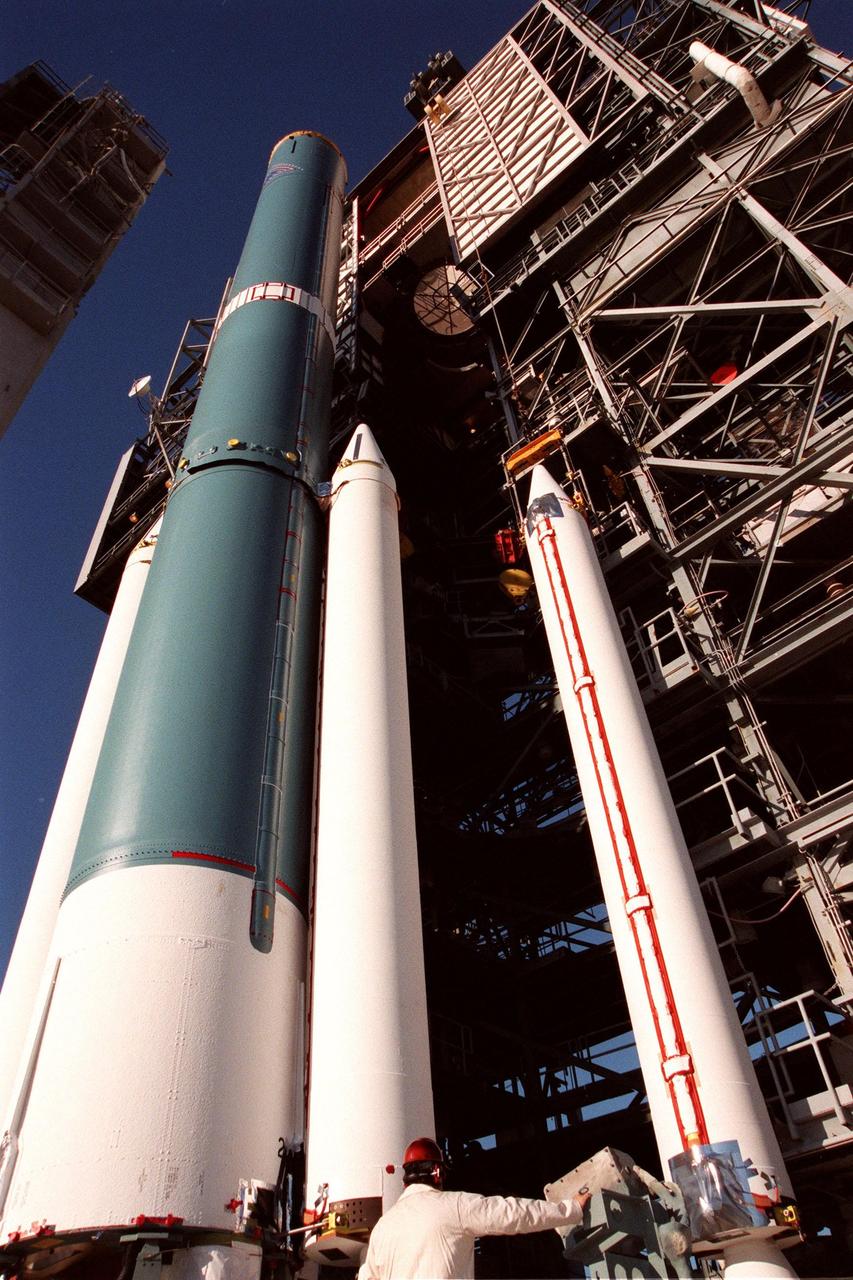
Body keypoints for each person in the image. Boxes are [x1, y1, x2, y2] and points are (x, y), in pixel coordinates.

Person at [357, 1137, 591, 1280]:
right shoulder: (454, 1206)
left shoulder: (382, 1228)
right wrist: (570, 1210)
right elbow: (513, 1213)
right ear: (438, 1173)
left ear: (405, 1179)